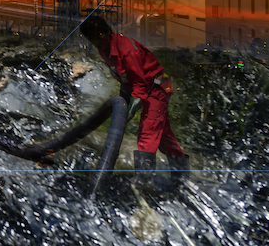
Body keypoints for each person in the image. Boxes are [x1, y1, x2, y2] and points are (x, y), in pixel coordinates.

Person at [79, 14, 188, 187]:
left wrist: (127, 112)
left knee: (148, 131)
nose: (96, 45)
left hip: (155, 89)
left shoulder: (127, 49)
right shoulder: (105, 49)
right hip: (141, 89)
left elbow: (140, 84)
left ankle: (143, 179)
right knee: (163, 136)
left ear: (104, 33)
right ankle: (181, 176)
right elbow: (125, 79)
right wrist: (122, 103)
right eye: (92, 41)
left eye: (97, 39)